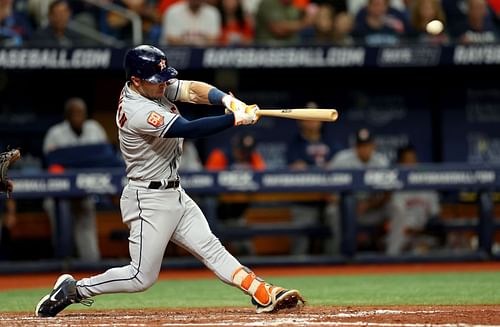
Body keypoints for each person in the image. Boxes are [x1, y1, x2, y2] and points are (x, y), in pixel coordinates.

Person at [35, 45, 304, 318]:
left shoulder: (154, 85)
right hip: (147, 198)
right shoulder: (136, 108)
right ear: (136, 81)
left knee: (211, 247)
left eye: (164, 78)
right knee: (141, 277)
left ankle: (262, 292)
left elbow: (192, 90)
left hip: (175, 191)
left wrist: (226, 100)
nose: (164, 84)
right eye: (157, 81)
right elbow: (186, 128)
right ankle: (75, 289)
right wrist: (234, 119)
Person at [42, 97, 109, 262]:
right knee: (57, 215)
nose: (79, 117)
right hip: (60, 192)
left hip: (86, 190)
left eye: (82, 113)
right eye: (75, 114)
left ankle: (91, 264)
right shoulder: (55, 133)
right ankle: (63, 262)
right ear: (67, 116)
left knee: (86, 222)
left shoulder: (94, 128)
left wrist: (71, 159)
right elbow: (51, 164)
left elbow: (106, 157)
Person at [286, 101, 341, 255]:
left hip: (328, 198)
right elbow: (296, 167)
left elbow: (338, 166)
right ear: (300, 120)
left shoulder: (330, 142)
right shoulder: (294, 144)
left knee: (336, 218)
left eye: (315, 116)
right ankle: (297, 269)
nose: (312, 121)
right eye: (308, 116)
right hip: (305, 199)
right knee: (300, 237)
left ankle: (336, 266)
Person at [326, 127, 391, 254]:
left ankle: (393, 256)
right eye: (361, 146)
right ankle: (340, 255)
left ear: (373, 146)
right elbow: (325, 186)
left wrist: (369, 204)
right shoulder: (341, 159)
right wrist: (344, 206)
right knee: (332, 211)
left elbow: (388, 193)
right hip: (344, 208)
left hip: (370, 208)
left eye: (367, 145)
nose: (364, 149)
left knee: (396, 207)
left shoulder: (381, 162)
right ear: (355, 146)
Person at [386, 145, 441, 255]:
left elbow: (435, 214)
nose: (411, 164)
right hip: (401, 235)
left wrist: (423, 230)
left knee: (423, 248)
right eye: (407, 161)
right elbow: (396, 216)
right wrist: (409, 230)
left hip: (422, 233)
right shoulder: (395, 186)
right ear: (400, 163)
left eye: (413, 160)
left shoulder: (426, 185)